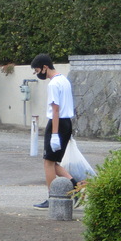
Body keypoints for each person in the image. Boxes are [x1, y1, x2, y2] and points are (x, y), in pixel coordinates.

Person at [30, 53, 79, 209]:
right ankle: (76, 187)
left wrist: (55, 134)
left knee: (48, 162)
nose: (37, 74)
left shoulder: (53, 84)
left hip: (57, 123)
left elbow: (55, 110)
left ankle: (52, 197)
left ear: (45, 67)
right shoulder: (64, 80)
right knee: (52, 161)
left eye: (37, 70)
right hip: (66, 123)